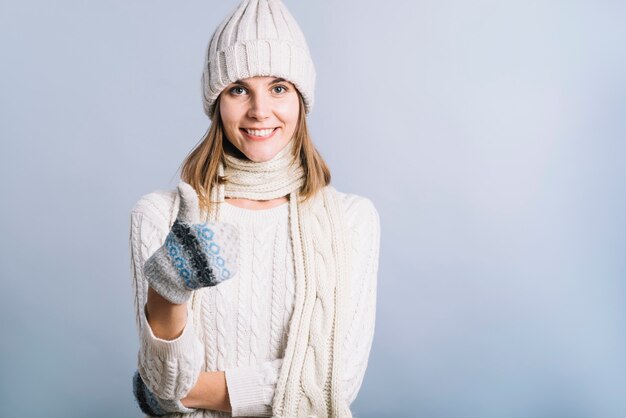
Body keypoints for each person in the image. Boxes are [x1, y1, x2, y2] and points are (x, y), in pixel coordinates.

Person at [128, 0, 381, 417]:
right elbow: (163, 387)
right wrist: (168, 294)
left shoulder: (353, 221)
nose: (259, 110)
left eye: (279, 87)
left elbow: (339, 382)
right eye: (239, 89)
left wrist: (194, 391)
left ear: (301, 99)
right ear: (217, 102)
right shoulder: (159, 216)